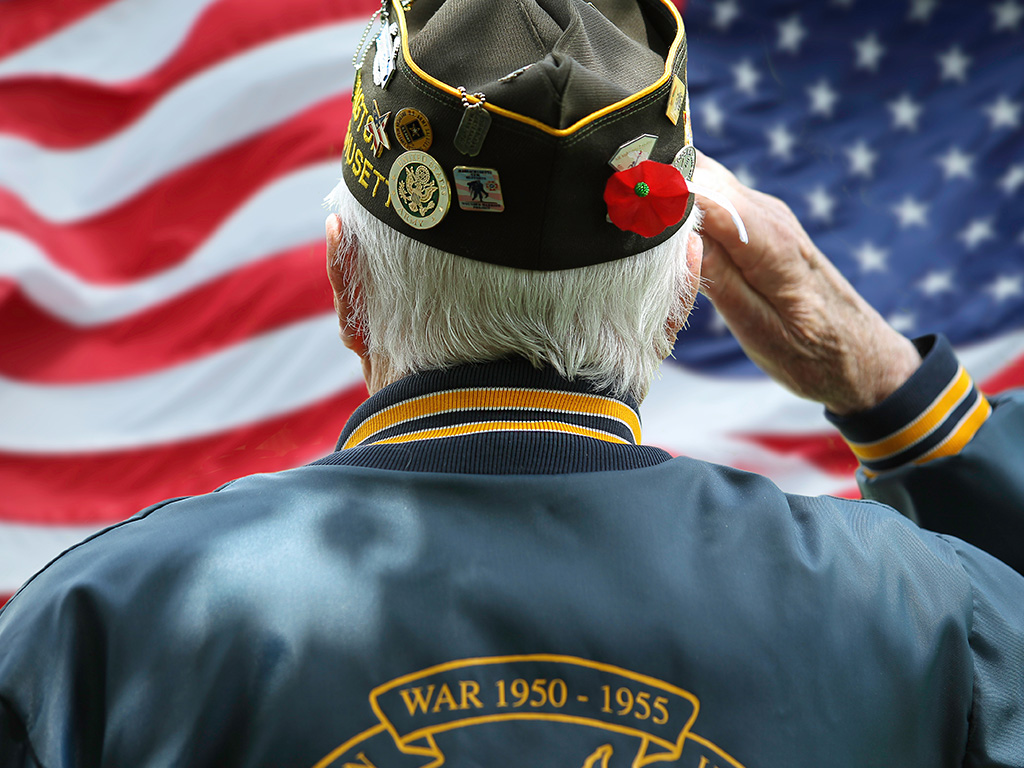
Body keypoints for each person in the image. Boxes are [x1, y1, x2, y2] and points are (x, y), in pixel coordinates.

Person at [1, 0, 1022, 766]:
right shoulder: (923, 617)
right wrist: (897, 397)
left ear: (344, 282)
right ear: (682, 297)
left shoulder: (95, 636)